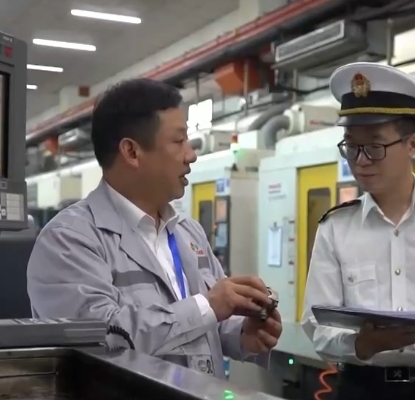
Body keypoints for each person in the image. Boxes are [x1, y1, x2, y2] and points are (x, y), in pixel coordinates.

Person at [26, 78, 282, 378]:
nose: (191, 154)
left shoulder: (188, 232)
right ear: (132, 152)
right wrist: (208, 306)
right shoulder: (69, 240)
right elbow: (100, 340)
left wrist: (242, 334)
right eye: (178, 141)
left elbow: (206, 323)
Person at [300, 62, 415, 400]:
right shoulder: (335, 228)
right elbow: (316, 325)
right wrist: (364, 343)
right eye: (351, 147)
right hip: (361, 390)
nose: (361, 161)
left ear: (412, 143)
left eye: (375, 147)